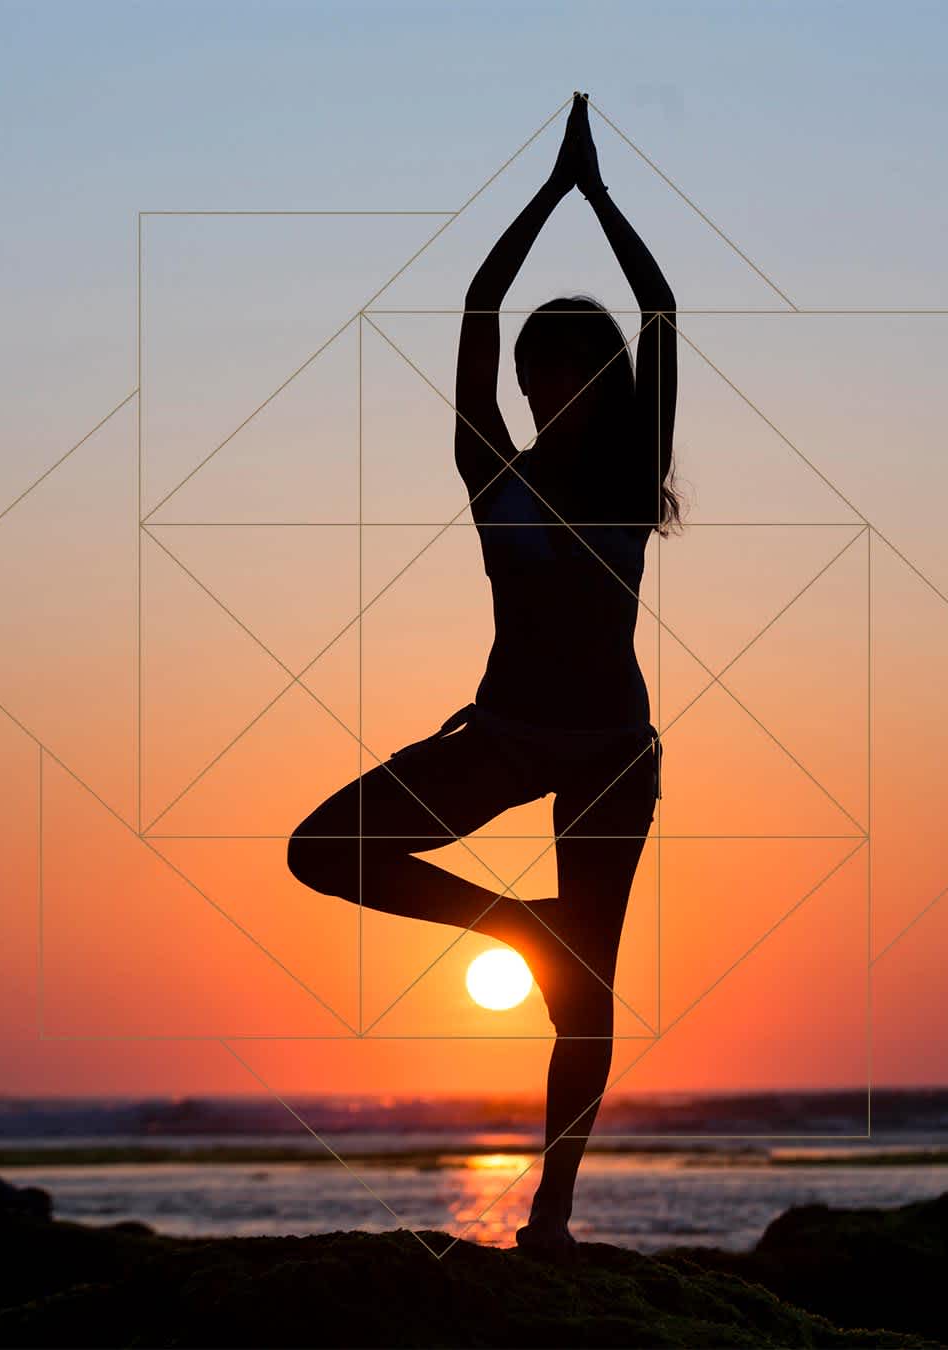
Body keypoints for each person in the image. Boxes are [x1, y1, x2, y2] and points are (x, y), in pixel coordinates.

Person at [287, 92, 681, 1255]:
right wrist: (540, 197)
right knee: (324, 849)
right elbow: (476, 304)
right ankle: (515, 922)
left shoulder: (628, 474)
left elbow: (659, 308)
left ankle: (549, 1222)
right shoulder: (489, 467)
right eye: (531, 374)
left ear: (603, 381)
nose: (541, 389)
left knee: (587, 992)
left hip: (612, 754)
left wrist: (599, 199)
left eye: (565, 372)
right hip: (505, 735)